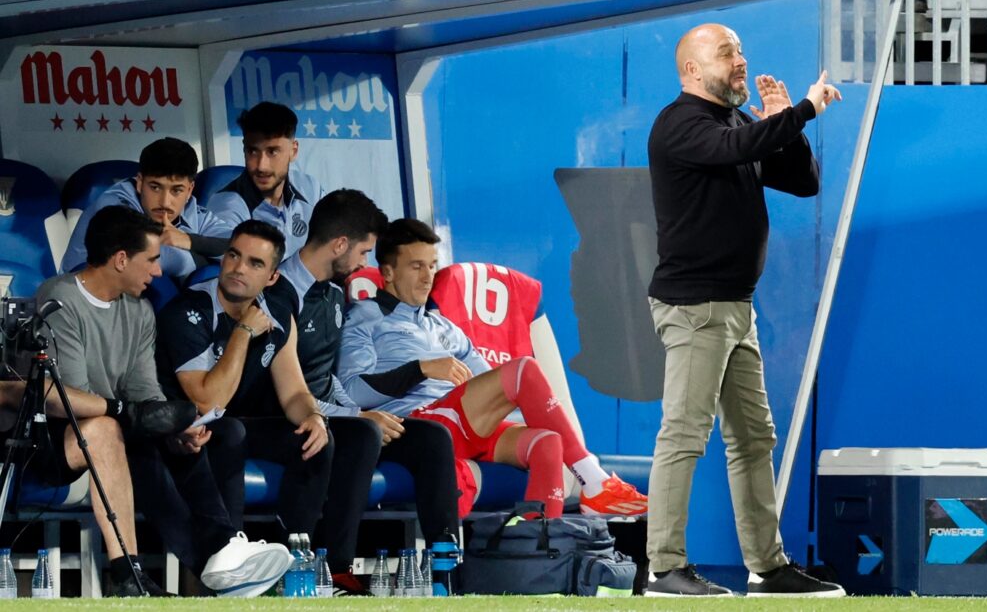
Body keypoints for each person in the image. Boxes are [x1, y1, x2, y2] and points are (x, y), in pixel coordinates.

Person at [644, 24, 844, 597]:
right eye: (726, 52)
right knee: (684, 435)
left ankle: (769, 567)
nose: (741, 60)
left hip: (735, 309)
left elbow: (802, 182)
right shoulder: (679, 123)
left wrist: (784, 122)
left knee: (755, 439)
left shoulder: (736, 123)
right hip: (694, 308)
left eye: (741, 50)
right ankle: (664, 569)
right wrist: (799, 111)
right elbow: (737, 149)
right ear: (690, 69)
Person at [3, 206, 290, 597]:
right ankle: (135, 574)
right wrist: (129, 413)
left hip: (110, 426)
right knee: (111, 430)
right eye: (152, 260)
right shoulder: (60, 297)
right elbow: (67, 398)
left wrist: (172, 428)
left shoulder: (139, 310)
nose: (158, 272)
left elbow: (143, 390)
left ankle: (225, 550)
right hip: (51, 438)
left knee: (190, 434)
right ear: (122, 259)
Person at [338, 218, 648, 519]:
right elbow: (353, 391)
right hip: (421, 426)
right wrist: (421, 368)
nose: (427, 276)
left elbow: (491, 384)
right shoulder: (366, 317)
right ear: (388, 272)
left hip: (465, 422)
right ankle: (593, 480)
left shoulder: (442, 325)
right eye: (416, 266)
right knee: (523, 369)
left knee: (547, 444)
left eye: (432, 266)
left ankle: (539, 547)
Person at [265, 189, 460, 591]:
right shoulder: (279, 294)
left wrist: (354, 407)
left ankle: (444, 570)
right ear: (340, 245)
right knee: (363, 432)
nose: (365, 264)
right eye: (363, 252)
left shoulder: (335, 294)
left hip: (333, 412)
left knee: (431, 438)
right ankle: (336, 567)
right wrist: (355, 414)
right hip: (286, 415)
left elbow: (330, 378)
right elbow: (289, 390)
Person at [155, 220, 335, 554]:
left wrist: (313, 416)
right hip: (185, 432)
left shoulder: (279, 312)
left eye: (255, 263)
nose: (239, 268)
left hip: (237, 426)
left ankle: (296, 557)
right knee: (230, 431)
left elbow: (294, 391)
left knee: (316, 438)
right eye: (233, 256)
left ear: (272, 277)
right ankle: (230, 556)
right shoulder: (187, 310)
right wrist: (243, 332)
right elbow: (209, 403)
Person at [61, 137, 232, 281]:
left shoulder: (194, 213)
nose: (165, 202)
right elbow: (146, 258)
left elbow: (245, 247)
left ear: (189, 190)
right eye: (155, 187)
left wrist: (190, 241)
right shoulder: (113, 204)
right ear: (140, 182)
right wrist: (206, 255)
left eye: (176, 190)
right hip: (80, 299)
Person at [206, 102, 325, 260]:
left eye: (272, 152)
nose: (261, 166)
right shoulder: (227, 204)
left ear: (293, 151)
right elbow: (239, 264)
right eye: (253, 151)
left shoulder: (310, 188)